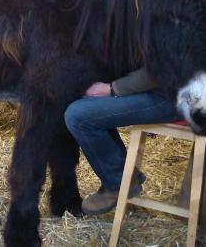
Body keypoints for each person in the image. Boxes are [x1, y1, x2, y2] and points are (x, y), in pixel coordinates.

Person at [65, 68, 181, 215]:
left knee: (78, 116)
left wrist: (113, 88)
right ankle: (126, 177)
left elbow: (160, 69)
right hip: (166, 87)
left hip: (174, 95)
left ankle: (118, 184)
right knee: (88, 104)